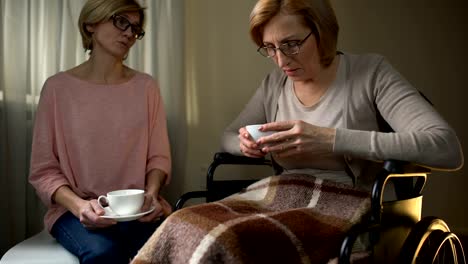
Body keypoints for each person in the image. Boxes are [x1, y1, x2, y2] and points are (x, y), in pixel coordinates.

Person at [221, 0, 463, 188]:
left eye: (291, 43)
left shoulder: (370, 73)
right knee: (193, 225)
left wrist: (328, 139)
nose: (281, 60)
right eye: (270, 48)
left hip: (350, 208)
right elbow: (228, 136)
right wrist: (244, 145)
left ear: (322, 32)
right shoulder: (274, 84)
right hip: (284, 197)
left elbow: (445, 147)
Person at [29, 0, 172, 263]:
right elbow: (43, 170)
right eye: (121, 22)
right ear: (91, 24)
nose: (129, 33)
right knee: (104, 253)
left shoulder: (146, 87)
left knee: (175, 246)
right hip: (74, 212)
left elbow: (159, 158)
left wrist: (151, 194)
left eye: (136, 29)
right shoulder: (57, 89)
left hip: (137, 211)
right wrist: (80, 206)